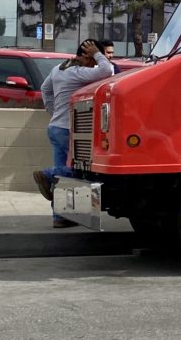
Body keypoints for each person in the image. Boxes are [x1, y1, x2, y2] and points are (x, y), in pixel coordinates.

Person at [33, 38, 113, 228]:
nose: (95, 62)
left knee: (66, 179)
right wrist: (96, 53)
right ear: (87, 55)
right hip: (69, 130)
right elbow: (107, 70)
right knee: (80, 170)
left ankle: (60, 218)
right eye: (93, 58)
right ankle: (47, 174)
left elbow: (45, 89)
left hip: (55, 127)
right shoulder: (78, 72)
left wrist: (53, 111)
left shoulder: (59, 69)